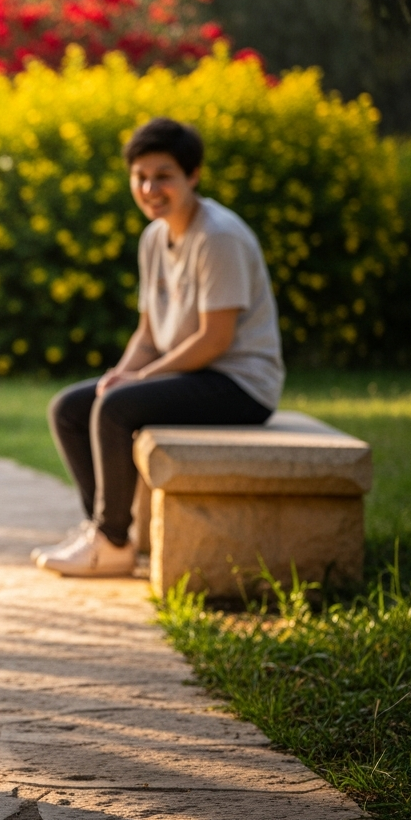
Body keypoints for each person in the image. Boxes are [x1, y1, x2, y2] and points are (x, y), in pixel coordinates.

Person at [34, 117, 284, 577]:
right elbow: (148, 334)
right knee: (70, 407)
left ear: (192, 176)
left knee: (116, 407)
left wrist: (139, 382)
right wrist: (121, 374)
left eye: (163, 176)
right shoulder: (154, 237)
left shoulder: (218, 237)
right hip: (190, 374)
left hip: (239, 384)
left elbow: (215, 340)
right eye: (140, 177)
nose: (150, 188)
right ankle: (104, 530)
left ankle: (110, 544)